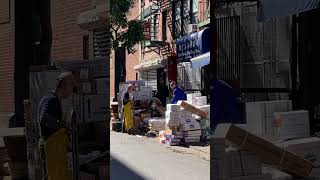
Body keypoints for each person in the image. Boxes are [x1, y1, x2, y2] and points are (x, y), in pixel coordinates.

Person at [38, 72, 76, 139]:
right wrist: (64, 125)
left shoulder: (49, 98)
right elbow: (44, 118)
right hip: (50, 145)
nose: (72, 91)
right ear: (64, 85)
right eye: (71, 86)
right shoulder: (52, 100)